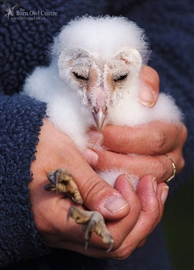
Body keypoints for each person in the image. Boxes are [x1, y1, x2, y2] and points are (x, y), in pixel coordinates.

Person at [0, 1, 193, 269]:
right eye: (80, 75)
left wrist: (160, 144)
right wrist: (11, 163)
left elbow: (181, 13)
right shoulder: (42, 89)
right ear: (65, 64)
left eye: (121, 76)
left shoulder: (146, 101)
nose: (99, 102)